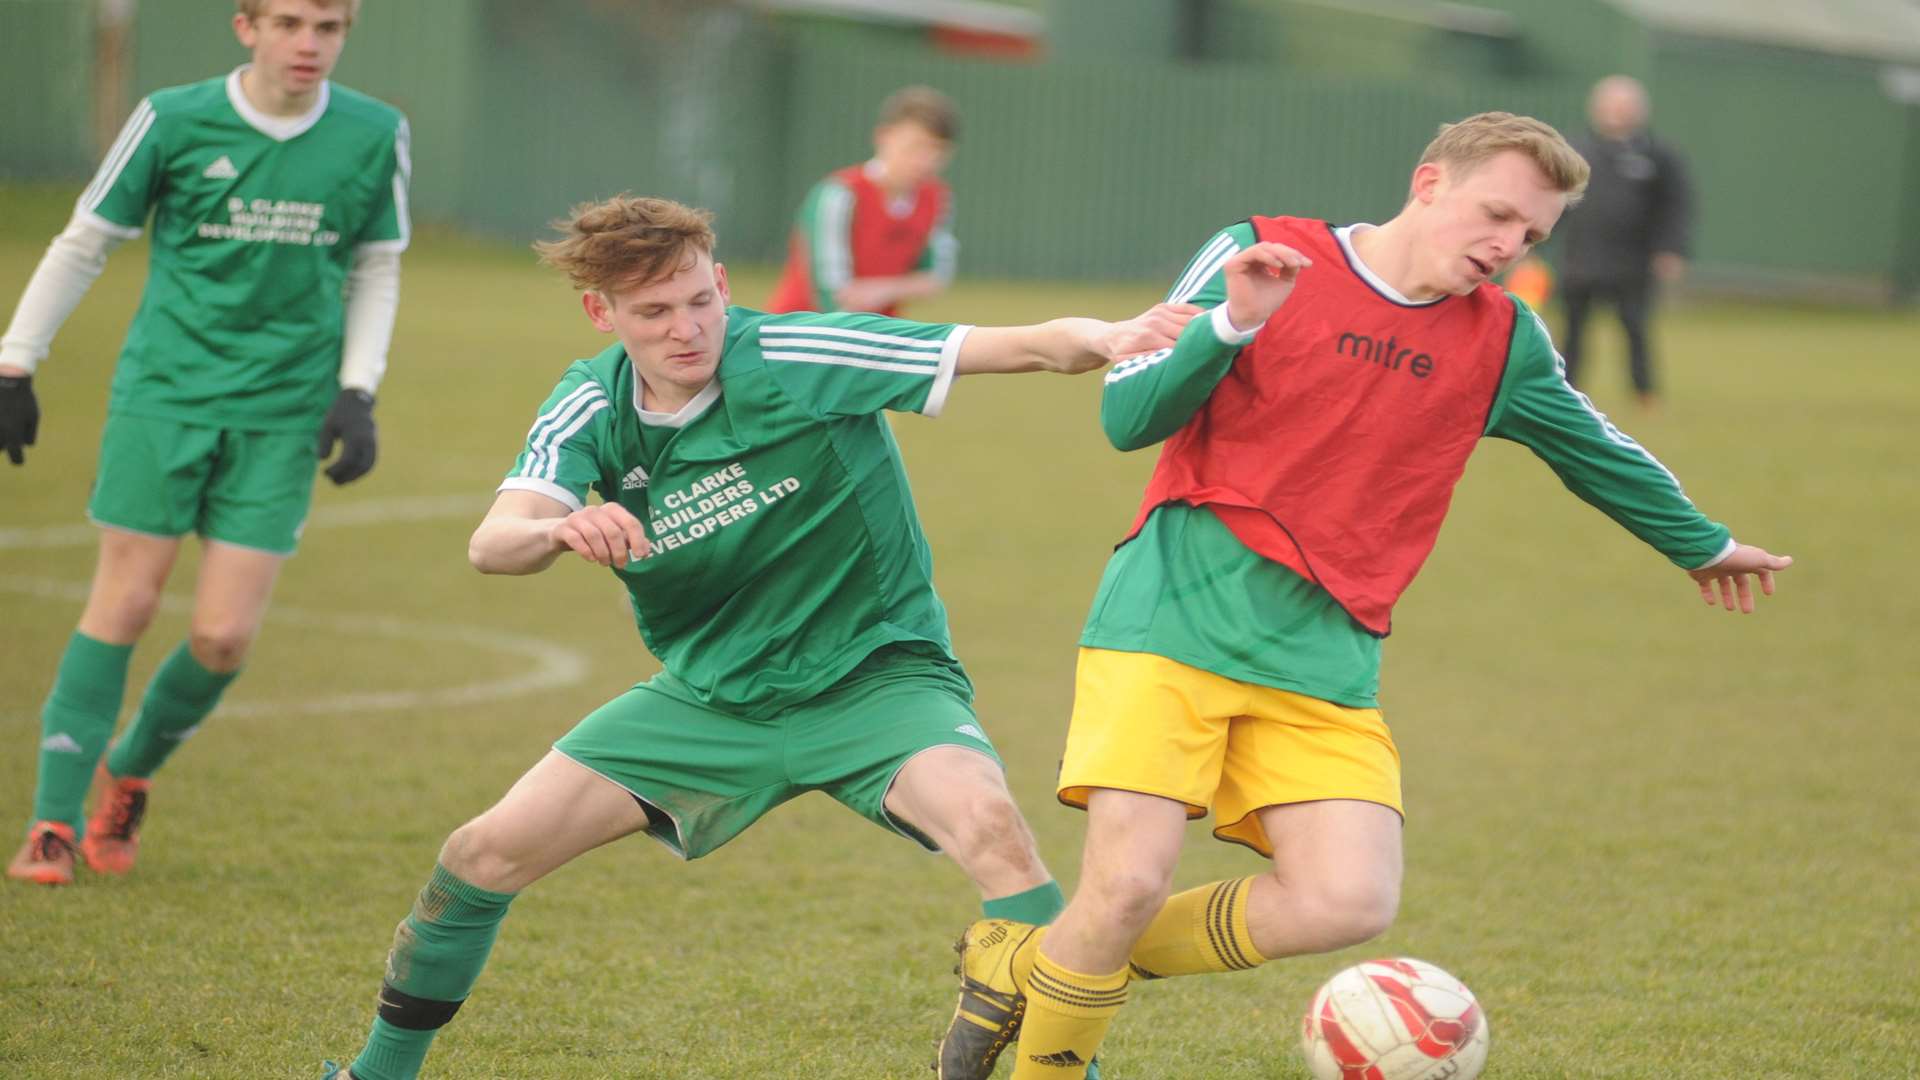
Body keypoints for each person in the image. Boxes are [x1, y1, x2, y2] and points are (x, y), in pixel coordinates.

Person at [935, 112, 1792, 1080]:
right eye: (1497, 214)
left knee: (1347, 899)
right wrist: (1231, 323)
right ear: (1430, 182)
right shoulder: (1263, 253)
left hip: (1326, 652)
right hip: (1172, 617)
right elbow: (1127, 415)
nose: (1508, 246)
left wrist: (1703, 544)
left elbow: (1595, 447)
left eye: (1532, 236)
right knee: (1127, 884)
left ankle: (1036, 962)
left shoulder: (1502, 338)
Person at [320, 194, 1192, 1080]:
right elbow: (491, 544)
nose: (686, 329)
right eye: (655, 313)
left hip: (875, 679)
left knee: (993, 828)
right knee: (478, 856)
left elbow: (1014, 344)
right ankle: (376, 1073)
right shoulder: (589, 403)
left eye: (700, 301)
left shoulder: (796, 354)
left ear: (723, 284)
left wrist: (1114, 335)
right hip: (711, 698)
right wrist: (554, 530)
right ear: (603, 313)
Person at [2, 0, 409, 887]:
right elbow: (86, 242)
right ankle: (51, 824)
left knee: (224, 635)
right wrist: (15, 363)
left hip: (281, 411)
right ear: (246, 26)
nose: (310, 44)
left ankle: (131, 767)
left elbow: (377, 264)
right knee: (126, 601)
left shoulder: (376, 133)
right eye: (291, 23)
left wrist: (356, 391)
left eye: (330, 27)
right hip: (167, 396)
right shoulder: (174, 117)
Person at [1556, 75, 1694, 408]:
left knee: (1635, 328)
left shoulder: (1658, 155)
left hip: (1632, 262)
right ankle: (1565, 393)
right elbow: (1554, 203)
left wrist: (1670, 249)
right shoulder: (1573, 151)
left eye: (1625, 106)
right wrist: (1530, 243)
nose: (1617, 113)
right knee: (1573, 332)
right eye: (1610, 105)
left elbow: (1675, 205)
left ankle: (1644, 393)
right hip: (1581, 258)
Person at [766, 85, 958, 316]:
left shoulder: (937, 199)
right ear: (883, 137)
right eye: (916, 146)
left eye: (937, 151)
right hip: (802, 332)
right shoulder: (839, 194)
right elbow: (832, 292)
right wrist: (902, 288)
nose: (926, 161)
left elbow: (936, 278)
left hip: (877, 335)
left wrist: (881, 290)